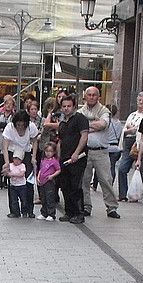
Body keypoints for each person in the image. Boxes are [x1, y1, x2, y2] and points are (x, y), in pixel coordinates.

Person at [78, 86, 120, 219]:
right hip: (85, 152)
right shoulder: (80, 111)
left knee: (106, 180)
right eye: (89, 95)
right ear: (85, 96)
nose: (91, 97)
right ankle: (86, 206)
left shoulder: (104, 110)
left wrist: (86, 125)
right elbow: (78, 127)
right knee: (84, 180)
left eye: (94, 95)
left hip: (101, 152)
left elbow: (103, 125)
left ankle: (111, 207)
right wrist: (92, 125)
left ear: (99, 97)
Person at [56, 93, 90, 224]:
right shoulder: (63, 122)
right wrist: (58, 157)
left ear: (74, 106)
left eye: (69, 106)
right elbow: (60, 140)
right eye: (64, 106)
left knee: (76, 186)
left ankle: (79, 213)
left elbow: (84, 136)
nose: (66, 108)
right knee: (65, 185)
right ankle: (69, 212)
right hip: (64, 159)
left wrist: (76, 153)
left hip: (78, 159)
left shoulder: (80, 119)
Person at [117, 92, 143, 202]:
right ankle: (122, 194)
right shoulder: (132, 115)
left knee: (139, 169)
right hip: (128, 142)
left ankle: (136, 194)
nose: (141, 102)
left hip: (139, 143)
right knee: (122, 168)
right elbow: (125, 130)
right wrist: (130, 129)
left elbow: (139, 130)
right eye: (139, 100)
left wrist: (133, 129)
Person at [0, 94, 17, 189]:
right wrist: (3, 125)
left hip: (10, 140)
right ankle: (0, 179)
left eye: (10, 104)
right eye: (6, 103)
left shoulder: (14, 116)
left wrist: (3, 126)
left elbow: (13, 126)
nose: (8, 106)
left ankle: (7, 179)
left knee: (8, 157)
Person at [36, 141, 61, 222]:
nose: (48, 153)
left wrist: (52, 176)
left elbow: (58, 170)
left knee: (50, 197)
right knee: (43, 197)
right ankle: (44, 213)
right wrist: (38, 177)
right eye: (47, 151)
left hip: (49, 181)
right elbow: (40, 169)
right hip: (42, 181)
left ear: (54, 152)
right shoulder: (43, 160)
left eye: (50, 151)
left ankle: (51, 214)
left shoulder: (54, 161)